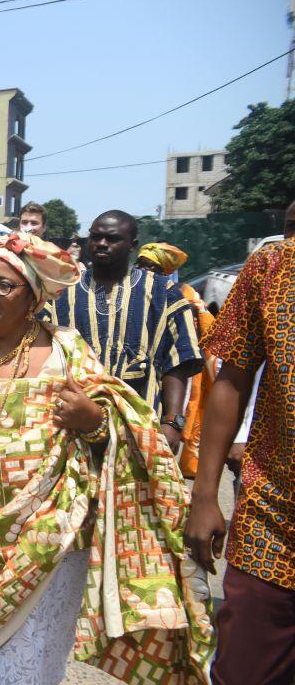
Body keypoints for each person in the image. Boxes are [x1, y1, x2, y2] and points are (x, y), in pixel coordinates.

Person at [0, 232, 215, 685]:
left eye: (3, 285)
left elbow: (120, 435)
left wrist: (92, 417)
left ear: (33, 298)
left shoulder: (67, 355)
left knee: (30, 663)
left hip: (43, 541)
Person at [186, 235, 295, 685]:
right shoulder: (274, 266)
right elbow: (232, 377)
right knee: (246, 669)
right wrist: (205, 494)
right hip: (273, 517)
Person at [45, 211, 203, 454]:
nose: (102, 244)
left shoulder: (162, 292)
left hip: (142, 425)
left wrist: (173, 421)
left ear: (132, 245)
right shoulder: (62, 292)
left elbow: (178, 361)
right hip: (73, 426)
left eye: (112, 238)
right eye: (96, 237)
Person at [136, 242, 217, 477]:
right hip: (140, 370)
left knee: (175, 417)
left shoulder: (182, 295)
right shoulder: (129, 289)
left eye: (152, 267)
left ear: (165, 271)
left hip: (173, 365)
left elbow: (192, 339)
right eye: (141, 264)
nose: (144, 271)